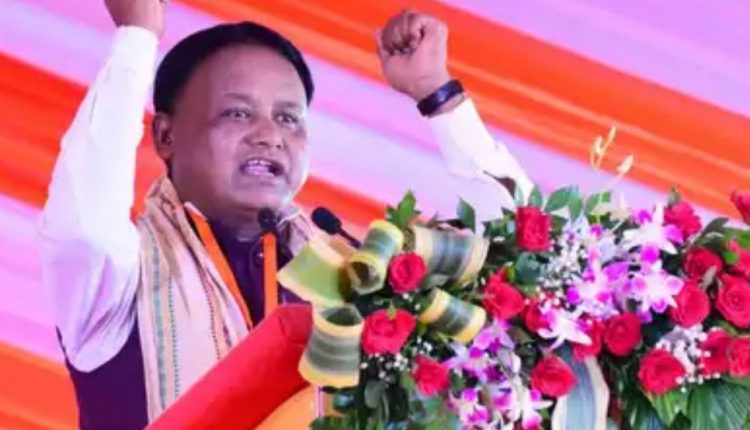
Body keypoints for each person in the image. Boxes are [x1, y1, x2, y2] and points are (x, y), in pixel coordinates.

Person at [39, 0, 532, 428]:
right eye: (237, 113)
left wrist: (439, 97)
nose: (269, 135)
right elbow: (85, 226)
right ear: (166, 136)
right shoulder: (117, 283)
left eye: (288, 118)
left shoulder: (356, 273)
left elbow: (522, 261)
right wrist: (137, 36)